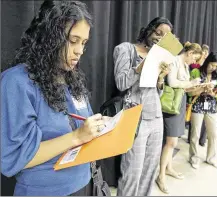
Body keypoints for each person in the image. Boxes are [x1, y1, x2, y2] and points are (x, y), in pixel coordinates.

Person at [1, 1, 108, 196]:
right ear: (50, 37)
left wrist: (101, 125)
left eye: (84, 43)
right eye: (73, 40)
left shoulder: (72, 77)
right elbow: (14, 157)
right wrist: (76, 137)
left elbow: (84, 123)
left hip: (84, 183)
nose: (80, 51)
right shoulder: (17, 82)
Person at [113, 17, 171, 196]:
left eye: (165, 37)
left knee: (149, 172)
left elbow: (157, 93)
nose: (160, 38)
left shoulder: (160, 56)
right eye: (158, 33)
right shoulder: (125, 49)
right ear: (148, 30)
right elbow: (121, 83)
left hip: (155, 117)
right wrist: (141, 67)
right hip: (134, 118)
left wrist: (161, 78)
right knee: (132, 172)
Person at [156, 42, 202, 194]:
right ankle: (161, 175)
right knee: (171, 141)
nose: (194, 62)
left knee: (171, 141)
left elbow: (184, 87)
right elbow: (172, 82)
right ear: (189, 53)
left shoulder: (185, 66)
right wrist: (190, 82)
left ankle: (168, 168)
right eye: (194, 57)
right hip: (171, 105)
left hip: (180, 102)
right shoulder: (175, 61)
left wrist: (197, 87)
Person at [188, 52, 217, 169]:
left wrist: (213, 93)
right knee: (195, 134)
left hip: (212, 106)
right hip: (197, 105)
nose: (213, 68)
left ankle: (211, 158)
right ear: (207, 62)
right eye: (212, 65)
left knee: (213, 133)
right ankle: (194, 157)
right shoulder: (196, 72)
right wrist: (202, 89)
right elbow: (190, 92)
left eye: (216, 66)